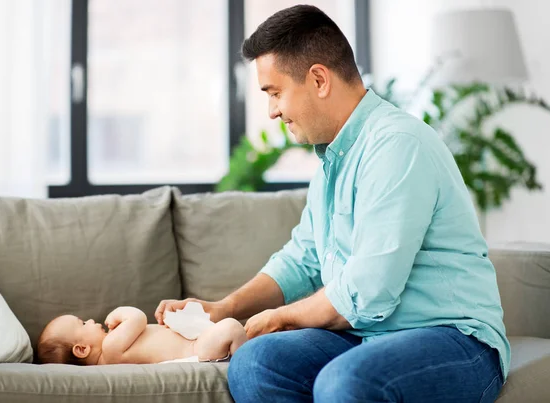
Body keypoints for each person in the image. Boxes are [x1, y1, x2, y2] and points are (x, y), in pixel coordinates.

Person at [155, 5, 509, 402]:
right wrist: (224, 308)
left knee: (346, 382)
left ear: (319, 79)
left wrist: (282, 318)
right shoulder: (331, 163)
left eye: (275, 93)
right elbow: (302, 259)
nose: (272, 111)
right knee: (256, 363)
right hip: (365, 335)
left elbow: (367, 291)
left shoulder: (397, 146)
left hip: (452, 338)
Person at [37, 306, 246, 365]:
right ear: (82, 349)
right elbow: (138, 318)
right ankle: (243, 363)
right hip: (195, 351)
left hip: (197, 343)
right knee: (231, 327)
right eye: (83, 323)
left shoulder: (113, 350)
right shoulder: (110, 349)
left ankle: (243, 353)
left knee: (235, 332)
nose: (91, 321)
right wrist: (118, 312)